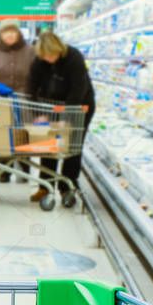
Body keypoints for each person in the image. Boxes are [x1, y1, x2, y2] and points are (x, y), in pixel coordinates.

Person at [27, 30, 95, 202]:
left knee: (72, 145)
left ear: (59, 49)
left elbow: (78, 90)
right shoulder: (39, 61)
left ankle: (68, 187)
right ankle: (45, 186)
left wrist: (67, 118)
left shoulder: (74, 57)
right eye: (45, 56)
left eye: (52, 55)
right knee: (49, 145)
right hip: (50, 106)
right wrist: (39, 114)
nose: (49, 59)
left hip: (79, 106)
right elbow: (31, 88)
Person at [0, 18, 36, 182]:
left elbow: (38, 76)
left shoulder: (30, 51)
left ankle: (24, 168)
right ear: (0, 34)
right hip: (0, 102)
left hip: (25, 102)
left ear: (18, 33)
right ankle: (3, 171)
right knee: (2, 137)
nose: (10, 35)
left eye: (13, 31)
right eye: (6, 31)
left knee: (23, 135)